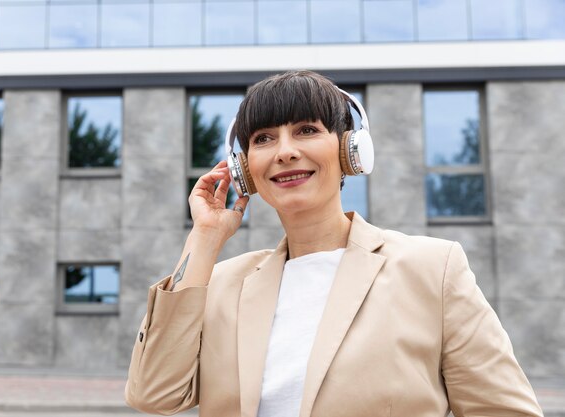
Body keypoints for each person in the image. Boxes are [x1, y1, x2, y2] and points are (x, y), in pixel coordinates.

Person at [124, 70, 543, 417]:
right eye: (264, 139)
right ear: (244, 168)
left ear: (349, 151)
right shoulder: (220, 283)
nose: (285, 152)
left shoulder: (434, 269)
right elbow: (154, 394)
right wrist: (206, 235)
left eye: (306, 130)